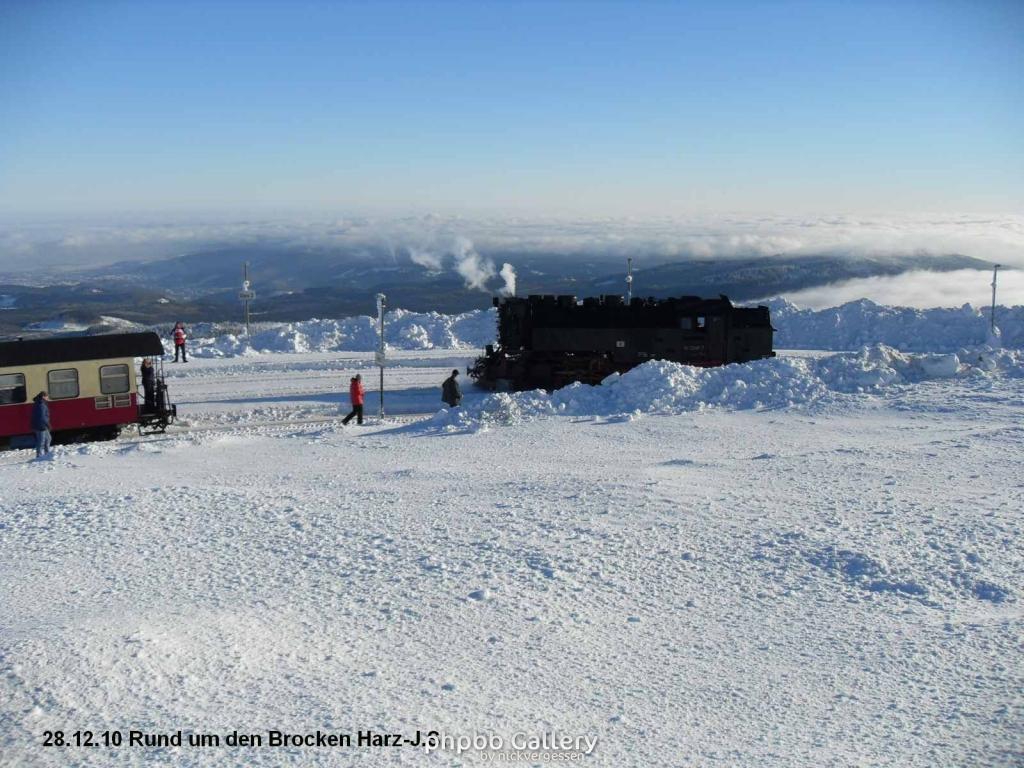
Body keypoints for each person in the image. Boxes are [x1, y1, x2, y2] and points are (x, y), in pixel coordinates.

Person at [31, 391, 51, 458]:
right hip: (41, 425)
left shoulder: (40, 403)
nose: (48, 397)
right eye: (47, 396)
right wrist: (47, 424)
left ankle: (47, 454)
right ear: (43, 397)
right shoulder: (41, 404)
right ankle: (39, 456)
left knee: (48, 439)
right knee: (41, 441)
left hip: (40, 424)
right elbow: (42, 417)